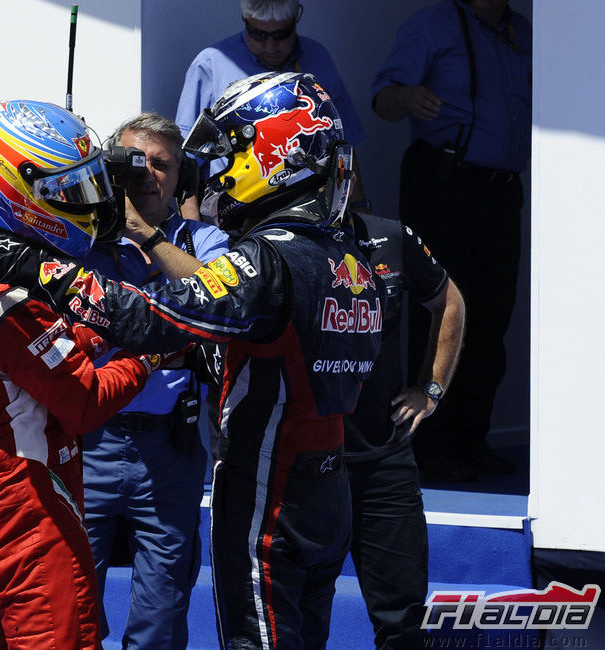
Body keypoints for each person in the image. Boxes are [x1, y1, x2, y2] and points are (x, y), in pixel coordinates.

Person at [0, 72, 384, 650]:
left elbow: (155, 318)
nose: (220, 169)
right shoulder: (347, 247)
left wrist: (39, 268)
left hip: (270, 484)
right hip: (327, 480)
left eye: (233, 150)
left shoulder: (273, 257)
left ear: (275, 150)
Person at [0, 99, 184, 648]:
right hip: (31, 511)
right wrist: (146, 358)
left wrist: (103, 335)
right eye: (68, 194)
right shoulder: (9, 295)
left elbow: (49, 350)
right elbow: (85, 402)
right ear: (15, 193)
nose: (89, 206)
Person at [80, 112, 229, 648]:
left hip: (172, 444)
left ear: (180, 176)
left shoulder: (204, 239)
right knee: (71, 602)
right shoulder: (83, 237)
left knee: (162, 609)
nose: (147, 175)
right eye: (135, 163)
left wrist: (147, 236)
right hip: (88, 438)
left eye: (161, 165)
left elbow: (220, 292)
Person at [371, 0, 531, 482]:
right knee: (437, 310)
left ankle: (471, 438)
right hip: (443, 183)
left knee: (491, 317)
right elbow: (382, 99)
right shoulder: (432, 23)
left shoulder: (519, 30)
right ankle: (429, 442)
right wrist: (409, 96)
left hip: (501, 191)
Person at [346, 209, 465, 649]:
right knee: (296, 614)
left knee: (403, 623)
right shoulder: (268, 239)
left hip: (382, 459)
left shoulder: (389, 237)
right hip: (303, 464)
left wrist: (430, 389)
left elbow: (449, 301)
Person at [175, 0, 369, 217]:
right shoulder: (211, 64)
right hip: (236, 215)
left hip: (310, 213)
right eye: (258, 34)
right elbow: (186, 160)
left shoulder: (318, 57)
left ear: (296, 19)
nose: (270, 46)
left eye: (281, 35)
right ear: (245, 20)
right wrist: (193, 232)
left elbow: (343, 143)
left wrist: (358, 208)